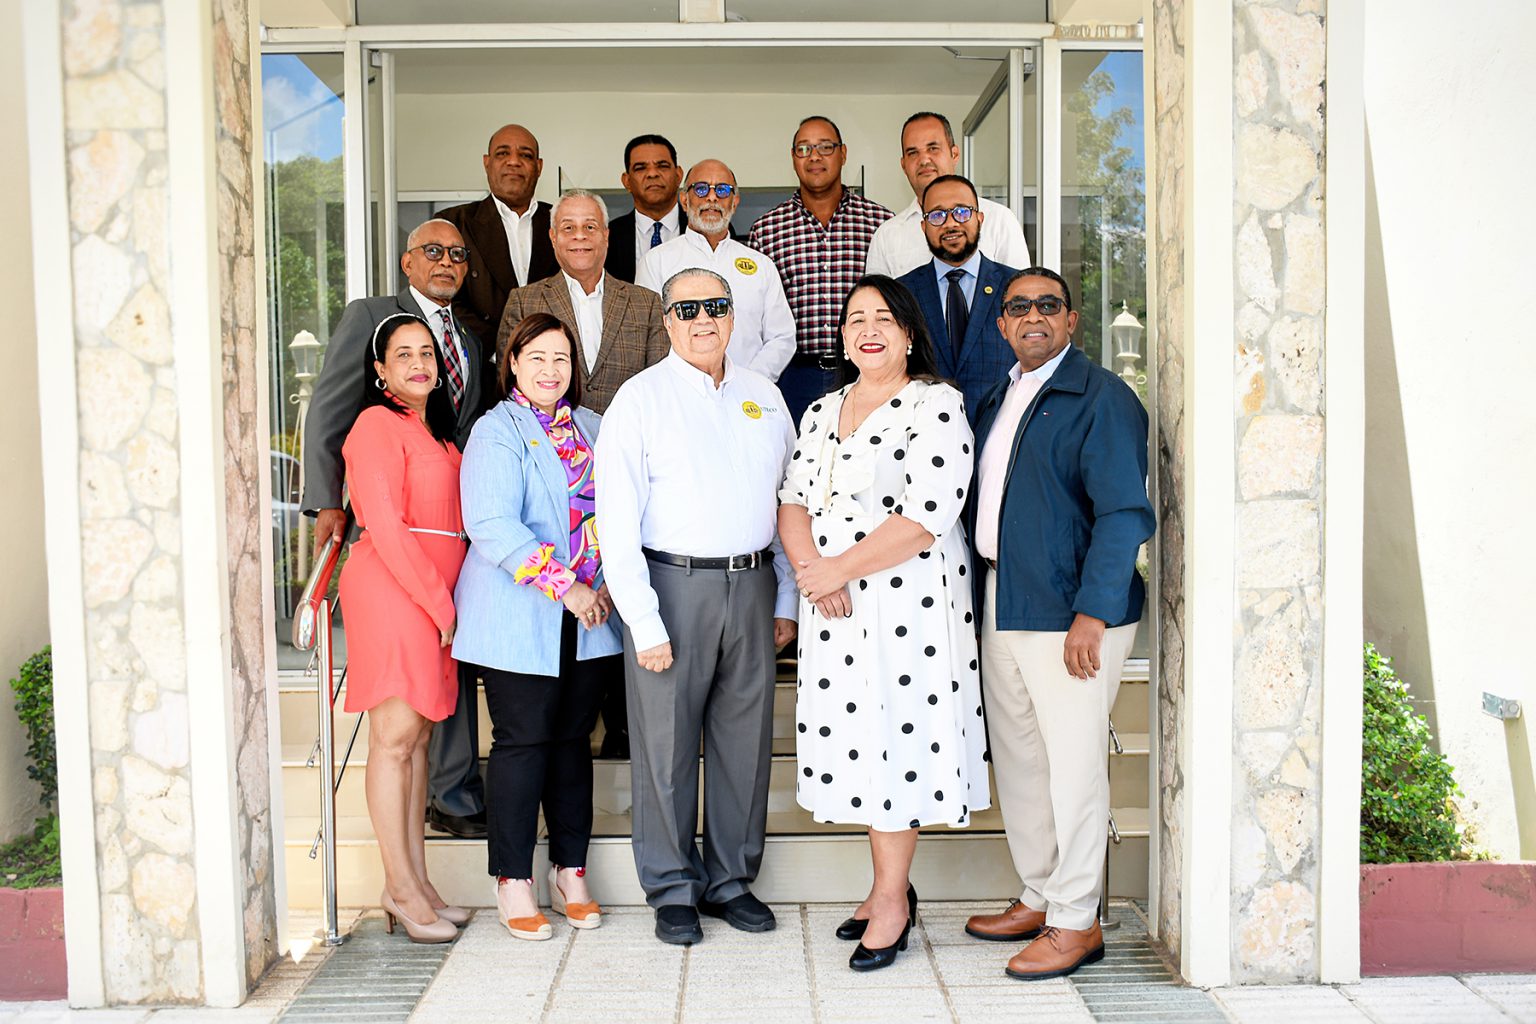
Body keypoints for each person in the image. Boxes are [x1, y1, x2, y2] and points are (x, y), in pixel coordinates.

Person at [778, 275, 988, 971]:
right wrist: (813, 572)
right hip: (834, 607)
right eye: (856, 319)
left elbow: (929, 513)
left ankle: (894, 900)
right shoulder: (821, 409)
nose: (868, 329)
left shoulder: (936, 404)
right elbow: (792, 500)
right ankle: (883, 887)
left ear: (907, 334)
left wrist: (838, 569)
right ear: (841, 337)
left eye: (883, 319)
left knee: (898, 739)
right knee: (861, 743)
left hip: (908, 605)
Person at [596, 268, 799, 946]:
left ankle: (731, 879)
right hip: (672, 588)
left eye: (716, 306)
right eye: (687, 309)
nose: (703, 319)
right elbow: (615, 521)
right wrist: (642, 619)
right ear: (667, 321)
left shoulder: (764, 396)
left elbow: (788, 500)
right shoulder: (639, 400)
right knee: (666, 747)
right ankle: (673, 886)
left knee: (744, 745)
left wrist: (787, 597)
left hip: (753, 584)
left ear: (733, 317)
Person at [964, 268, 1154, 981]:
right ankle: (1041, 893)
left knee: (1074, 768)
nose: (1033, 316)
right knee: (1021, 761)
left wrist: (1093, 613)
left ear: (1072, 320)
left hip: (1072, 613)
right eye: (1019, 307)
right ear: (1002, 325)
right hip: (1005, 598)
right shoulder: (999, 395)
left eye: (1049, 305)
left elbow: (1123, 514)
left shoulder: (1102, 397)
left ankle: (1076, 919)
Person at [301, 217, 489, 841]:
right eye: (432, 251)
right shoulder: (371, 318)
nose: (445, 262)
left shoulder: (467, 337)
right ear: (407, 263)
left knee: (432, 713)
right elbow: (330, 406)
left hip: (447, 537)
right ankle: (431, 823)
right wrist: (326, 501)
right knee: (399, 730)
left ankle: (450, 796)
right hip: (393, 542)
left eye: (457, 254)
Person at [454, 312, 623, 941]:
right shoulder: (495, 429)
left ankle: (569, 872)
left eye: (561, 358)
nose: (551, 370)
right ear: (514, 364)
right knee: (523, 743)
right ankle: (513, 880)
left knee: (573, 742)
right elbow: (491, 523)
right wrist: (568, 586)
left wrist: (607, 583)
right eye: (537, 358)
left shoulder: (595, 427)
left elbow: (621, 511)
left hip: (592, 614)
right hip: (520, 614)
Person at [337, 313, 468, 944]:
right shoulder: (375, 424)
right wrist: (440, 605)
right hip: (396, 590)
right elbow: (386, 526)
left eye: (427, 353)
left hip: (431, 594)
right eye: (404, 354)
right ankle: (399, 886)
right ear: (380, 370)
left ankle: (416, 882)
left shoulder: (434, 430)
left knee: (416, 742)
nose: (419, 363)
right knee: (393, 740)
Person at [747, 115, 892, 424]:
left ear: (843, 153)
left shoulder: (880, 223)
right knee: (793, 454)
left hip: (863, 370)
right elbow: (756, 313)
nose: (814, 156)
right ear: (793, 157)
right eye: (804, 148)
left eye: (825, 147)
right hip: (793, 377)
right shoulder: (767, 230)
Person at [499, 189, 670, 415]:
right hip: (546, 434)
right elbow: (510, 384)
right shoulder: (523, 302)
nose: (580, 235)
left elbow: (660, 385)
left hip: (628, 433)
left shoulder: (646, 304)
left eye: (590, 227)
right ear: (553, 237)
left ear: (606, 235)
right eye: (568, 228)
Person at [635, 160, 795, 381]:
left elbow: (782, 337)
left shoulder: (761, 265)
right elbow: (648, 337)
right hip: (677, 392)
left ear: (734, 202)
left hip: (748, 393)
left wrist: (748, 382)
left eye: (722, 190)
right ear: (684, 200)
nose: (712, 197)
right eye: (701, 189)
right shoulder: (655, 262)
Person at [896, 174, 1019, 420]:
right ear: (924, 226)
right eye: (937, 215)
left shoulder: (1015, 287)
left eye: (962, 212)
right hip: (923, 432)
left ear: (980, 219)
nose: (950, 223)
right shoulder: (901, 293)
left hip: (1000, 430)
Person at [865, 112, 1031, 280]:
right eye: (913, 153)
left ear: (954, 154)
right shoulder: (887, 236)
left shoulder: (999, 219)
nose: (924, 160)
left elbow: (1021, 290)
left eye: (933, 148)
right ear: (903, 165)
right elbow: (875, 296)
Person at [440, 124, 560, 345]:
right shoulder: (453, 224)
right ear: (487, 163)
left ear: (539, 166)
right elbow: (443, 299)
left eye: (525, 155)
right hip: (482, 358)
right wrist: (504, 348)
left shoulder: (562, 222)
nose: (513, 161)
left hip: (552, 356)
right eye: (503, 153)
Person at [605, 134, 687, 284]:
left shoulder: (703, 230)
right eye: (640, 168)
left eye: (662, 166)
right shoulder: (608, 237)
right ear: (626, 181)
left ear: (678, 175)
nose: (652, 174)